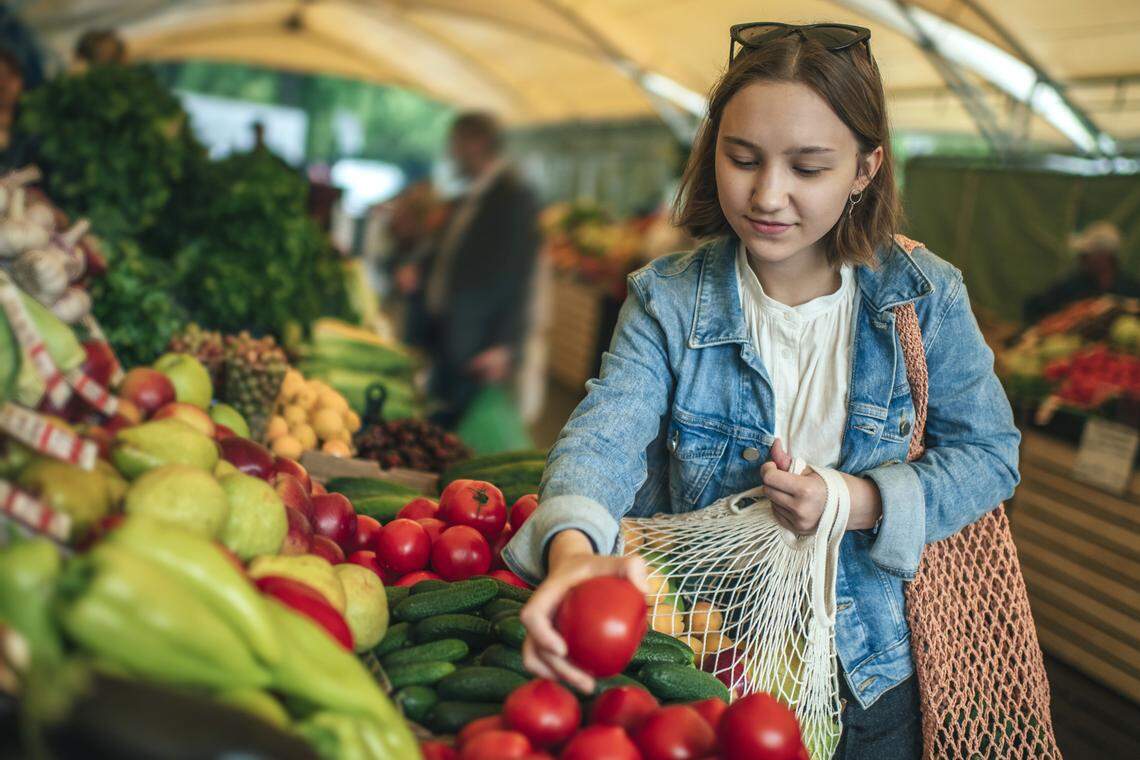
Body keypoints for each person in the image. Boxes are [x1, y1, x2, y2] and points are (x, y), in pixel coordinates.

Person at [502, 22, 1020, 760]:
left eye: (809, 168)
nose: (768, 195)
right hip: (705, 658)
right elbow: (604, 432)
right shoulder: (669, 300)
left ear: (866, 168)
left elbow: (991, 455)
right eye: (742, 158)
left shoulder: (925, 298)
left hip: (873, 674)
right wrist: (575, 547)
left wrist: (855, 500)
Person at [396, 112, 540, 428]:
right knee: (436, 419)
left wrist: (504, 345)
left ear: (478, 143)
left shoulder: (514, 198)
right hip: (446, 334)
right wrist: (419, 270)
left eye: (456, 144)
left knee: (460, 430)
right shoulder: (469, 196)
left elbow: (518, 277)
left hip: (476, 345)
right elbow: (451, 253)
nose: (451, 154)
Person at [1023, 220, 1139, 323]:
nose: (1082, 259)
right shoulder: (1070, 286)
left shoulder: (1130, 288)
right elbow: (1035, 307)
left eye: (1087, 255)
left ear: (1105, 257)